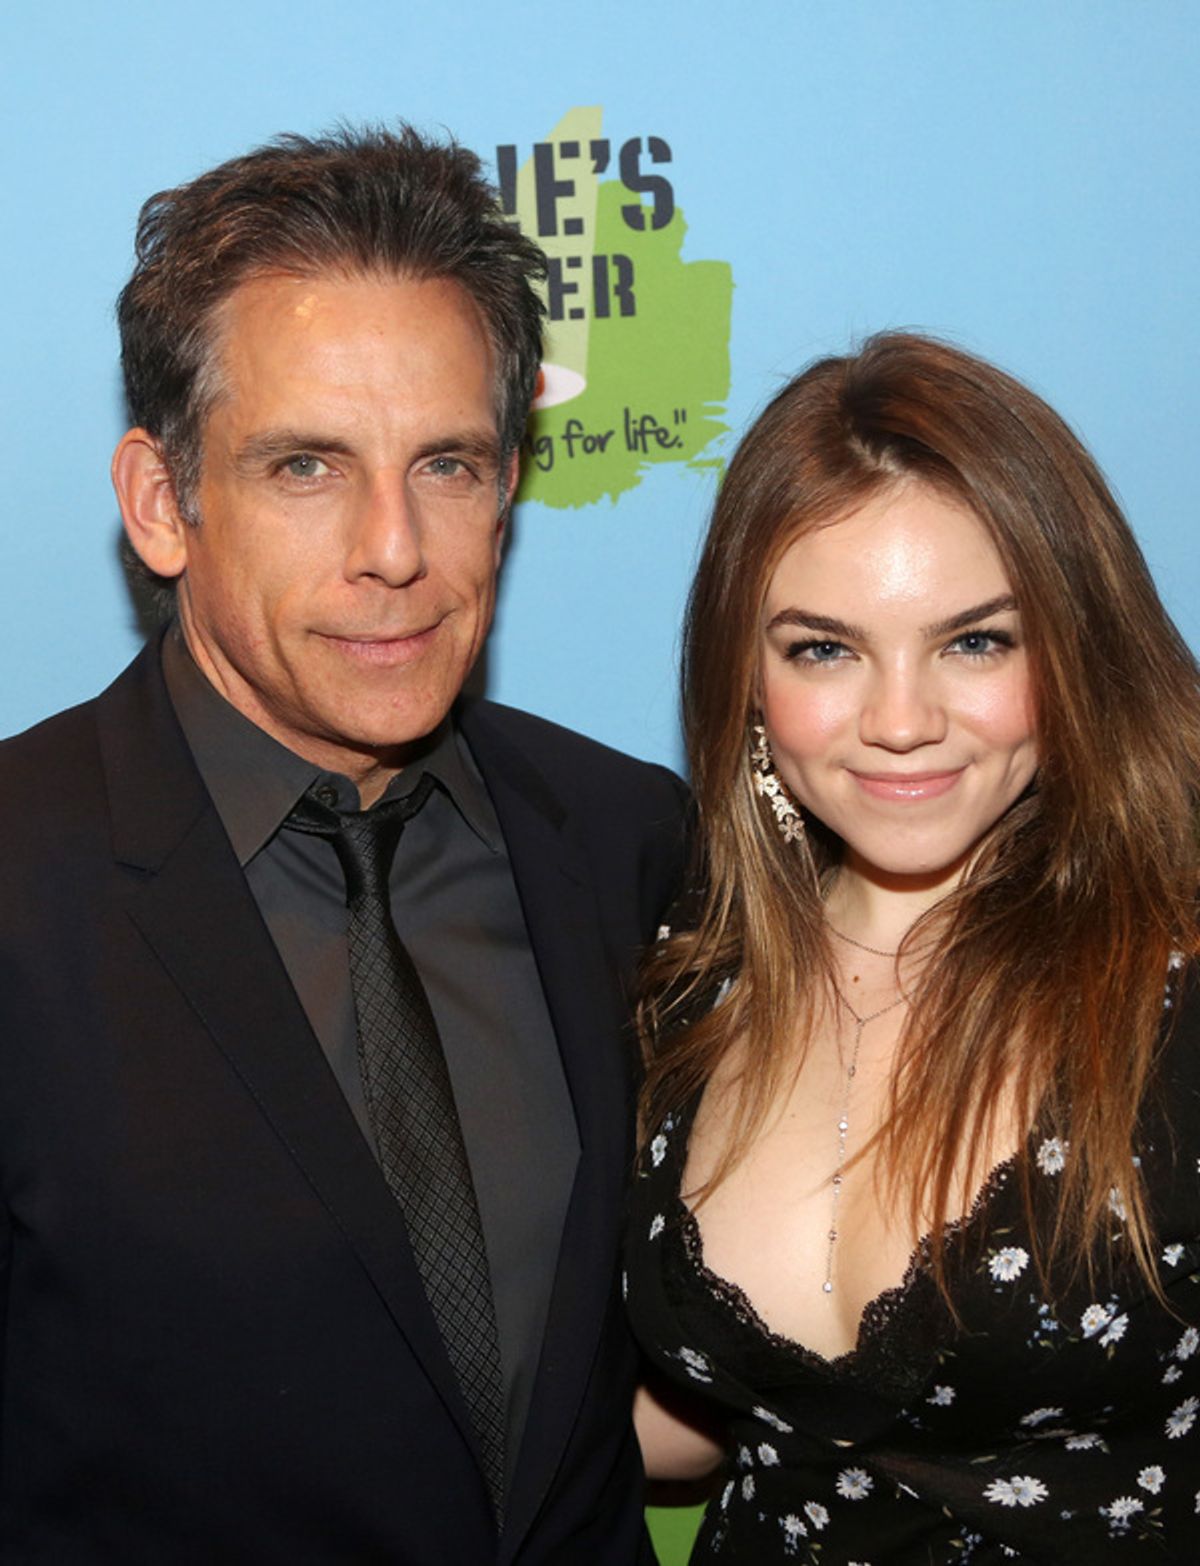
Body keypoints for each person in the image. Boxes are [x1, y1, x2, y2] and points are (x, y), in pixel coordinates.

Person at [0, 125, 687, 1563]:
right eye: (307, 465)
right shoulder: (21, 876)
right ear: (160, 502)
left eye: (448, 462)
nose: (395, 548)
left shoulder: (632, 842)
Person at [626, 332, 1200, 1562]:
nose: (900, 722)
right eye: (824, 649)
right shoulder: (689, 972)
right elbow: (706, 1418)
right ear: (748, 677)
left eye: (975, 641)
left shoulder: (1177, 976)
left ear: (1075, 645)